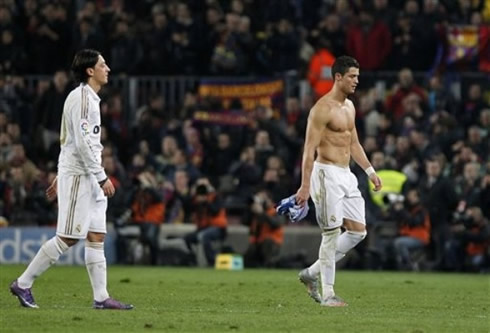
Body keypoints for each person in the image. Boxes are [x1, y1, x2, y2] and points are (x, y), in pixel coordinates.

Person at [9, 49, 133, 310]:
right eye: (102, 64)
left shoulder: (90, 99)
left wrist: (59, 172)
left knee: (96, 235)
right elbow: (81, 143)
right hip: (82, 175)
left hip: (87, 173)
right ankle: (24, 283)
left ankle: (101, 297)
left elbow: (69, 140)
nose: (108, 68)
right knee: (67, 237)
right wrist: (100, 177)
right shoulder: (82, 99)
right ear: (90, 71)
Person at [295, 56, 382, 307]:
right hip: (325, 175)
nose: (357, 80)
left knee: (357, 232)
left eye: (357, 76)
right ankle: (328, 294)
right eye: (352, 76)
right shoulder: (321, 109)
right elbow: (308, 150)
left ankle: (310, 274)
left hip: (346, 174)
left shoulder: (350, 107)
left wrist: (370, 171)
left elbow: (353, 143)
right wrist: (304, 185)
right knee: (331, 233)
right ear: (338, 77)